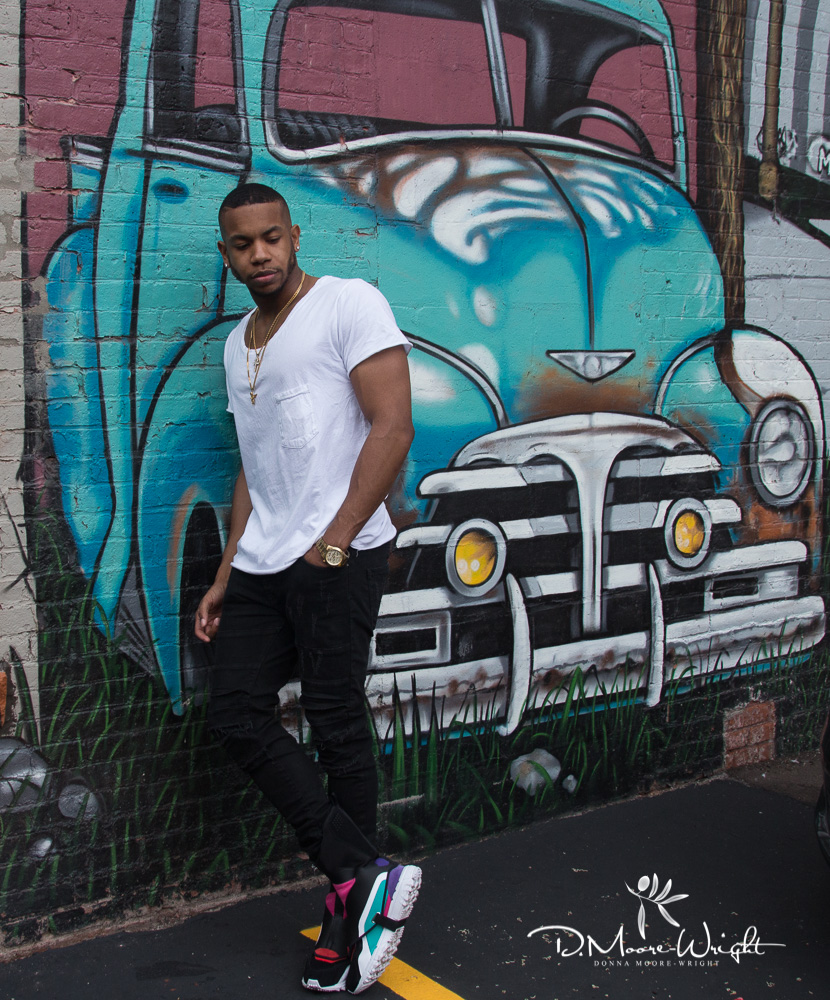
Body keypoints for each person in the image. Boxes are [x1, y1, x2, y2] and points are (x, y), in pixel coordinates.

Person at [195, 182, 419, 994]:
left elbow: (393, 426)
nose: (259, 254)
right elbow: (254, 465)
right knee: (235, 712)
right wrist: (226, 572)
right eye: (242, 244)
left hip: (337, 552)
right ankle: (362, 874)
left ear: (294, 236)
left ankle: (349, 911)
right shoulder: (237, 345)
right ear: (227, 255)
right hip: (264, 558)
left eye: (270, 238)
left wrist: (335, 541)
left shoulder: (348, 304)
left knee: (334, 719)